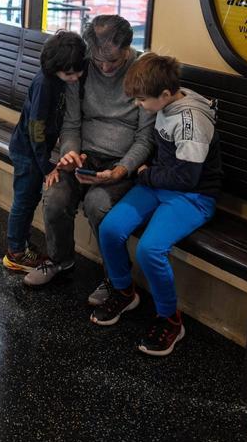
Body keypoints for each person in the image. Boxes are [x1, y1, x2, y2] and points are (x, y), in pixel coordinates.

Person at [89, 53, 222, 358]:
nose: (138, 105)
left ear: (164, 95)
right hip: (161, 183)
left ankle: (170, 318)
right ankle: (124, 291)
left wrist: (146, 175)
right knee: (110, 227)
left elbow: (188, 178)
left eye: (141, 100)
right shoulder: (165, 103)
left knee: (151, 249)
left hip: (194, 196)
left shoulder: (191, 120)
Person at [24, 15, 156, 292]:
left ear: (128, 49)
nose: (105, 68)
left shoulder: (143, 71)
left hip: (121, 163)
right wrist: (70, 153)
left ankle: (115, 278)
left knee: (98, 205)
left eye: (114, 62)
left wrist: (121, 170)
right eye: (98, 61)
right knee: (55, 197)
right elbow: (72, 124)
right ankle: (60, 261)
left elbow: (145, 139)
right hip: (84, 157)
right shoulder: (81, 70)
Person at [2, 30, 86, 272]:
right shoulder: (44, 83)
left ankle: (22, 244)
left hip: (36, 150)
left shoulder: (58, 79)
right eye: (70, 73)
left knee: (30, 199)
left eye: (78, 71)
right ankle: (16, 251)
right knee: (24, 201)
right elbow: (36, 128)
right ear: (54, 67)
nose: (75, 77)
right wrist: (46, 165)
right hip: (28, 151)